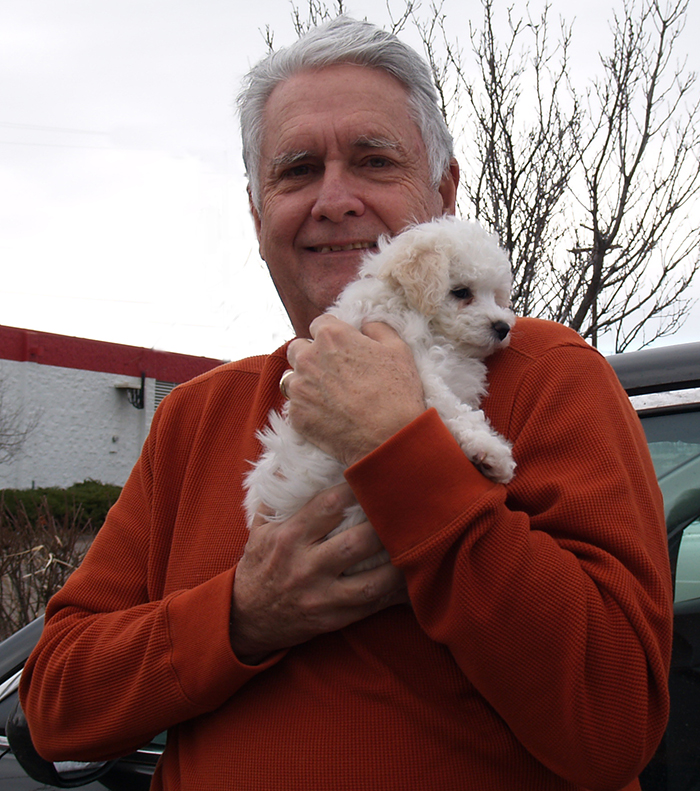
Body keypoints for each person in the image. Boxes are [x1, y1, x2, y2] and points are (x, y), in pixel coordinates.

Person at [20, 16, 672, 791]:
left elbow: (614, 718)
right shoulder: (193, 419)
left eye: (374, 160)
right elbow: (55, 703)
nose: (334, 199)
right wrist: (242, 614)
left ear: (444, 194)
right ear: (258, 215)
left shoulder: (551, 375)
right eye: (296, 171)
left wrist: (403, 449)